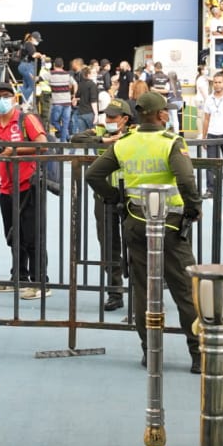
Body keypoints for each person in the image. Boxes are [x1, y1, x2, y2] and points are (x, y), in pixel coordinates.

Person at [0, 81, 49, 300]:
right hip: (6, 187)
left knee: (32, 235)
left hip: (29, 184)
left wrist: (14, 150)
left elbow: (43, 143)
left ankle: (40, 281)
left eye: (5, 96)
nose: (1, 100)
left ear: (14, 98)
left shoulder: (26, 119)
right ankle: (18, 277)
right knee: (13, 235)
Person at [72, 98, 134, 312]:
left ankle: (140, 292)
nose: (108, 120)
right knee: (109, 246)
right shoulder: (100, 130)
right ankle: (115, 292)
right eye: (106, 116)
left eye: (113, 117)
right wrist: (102, 141)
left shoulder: (135, 134)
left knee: (135, 245)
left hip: (131, 197)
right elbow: (75, 139)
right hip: (104, 197)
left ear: (125, 119)